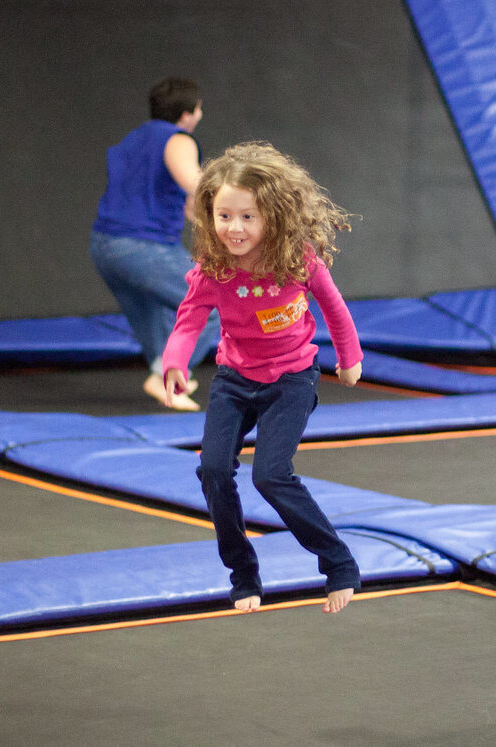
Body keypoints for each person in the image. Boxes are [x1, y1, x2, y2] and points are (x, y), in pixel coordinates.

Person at [160, 142, 363, 614]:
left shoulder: (299, 261)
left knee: (271, 475)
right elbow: (190, 318)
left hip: (291, 379)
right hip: (234, 379)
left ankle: (338, 564)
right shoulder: (213, 271)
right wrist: (174, 361)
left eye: (248, 217)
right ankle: (243, 573)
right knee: (212, 472)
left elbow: (333, 306)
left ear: (274, 216)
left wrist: (349, 357)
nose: (234, 228)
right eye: (224, 216)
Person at [89, 78, 220, 411]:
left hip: (105, 246)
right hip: (143, 247)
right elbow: (192, 181)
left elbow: (164, 192)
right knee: (215, 301)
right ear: (188, 114)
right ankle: (166, 373)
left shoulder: (132, 140)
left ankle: (168, 385)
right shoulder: (177, 138)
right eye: (199, 108)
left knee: (157, 312)